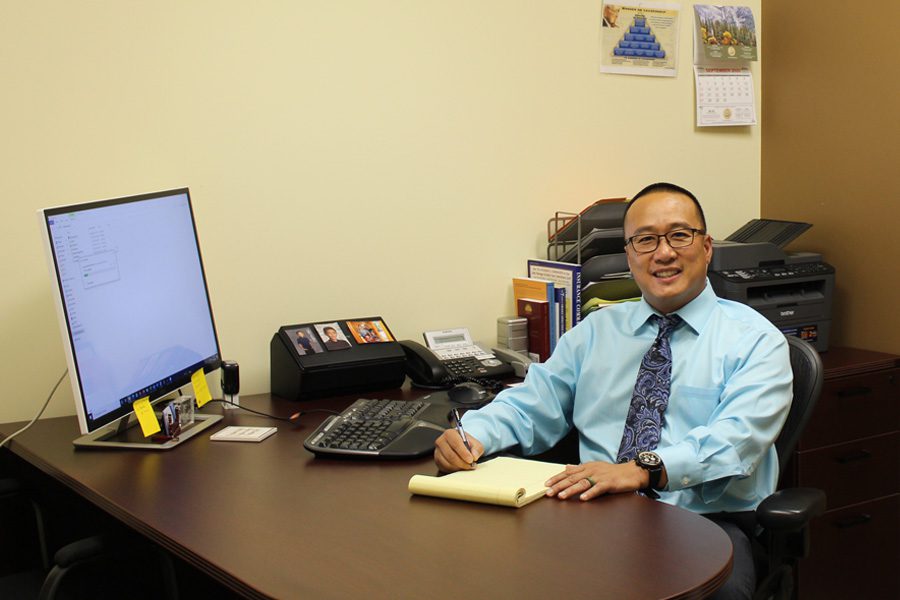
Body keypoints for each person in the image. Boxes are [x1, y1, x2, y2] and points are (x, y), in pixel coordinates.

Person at [434, 182, 792, 600]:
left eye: (679, 235)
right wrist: (474, 434)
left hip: (707, 522)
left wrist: (642, 469)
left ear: (707, 246)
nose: (663, 253)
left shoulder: (756, 341)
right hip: (594, 513)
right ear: (629, 255)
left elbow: (736, 441)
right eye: (645, 240)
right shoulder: (595, 332)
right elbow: (533, 403)